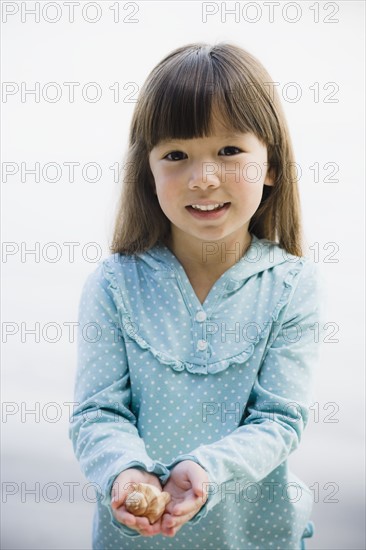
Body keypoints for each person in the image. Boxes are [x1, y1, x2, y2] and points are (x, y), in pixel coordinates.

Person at [69, 42, 323, 549]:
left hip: (254, 535)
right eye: (176, 155)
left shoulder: (292, 284)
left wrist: (205, 468)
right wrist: (126, 471)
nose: (203, 179)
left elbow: (279, 419)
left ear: (270, 164)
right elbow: (98, 413)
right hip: (135, 539)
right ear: (148, 170)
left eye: (230, 151)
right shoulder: (114, 284)